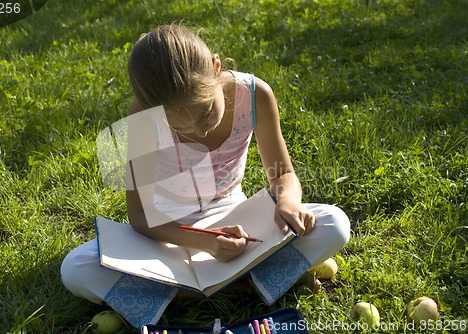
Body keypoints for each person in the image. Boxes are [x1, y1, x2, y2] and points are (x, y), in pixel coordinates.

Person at [61, 24, 350, 328]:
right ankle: (243, 282)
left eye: (205, 111)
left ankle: (186, 289)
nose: (199, 131)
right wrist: (205, 243)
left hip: (235, 217)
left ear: (216, 66)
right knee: (76, 268)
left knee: (335, 224)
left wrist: (289, 201)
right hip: (167, 232)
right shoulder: (141, 116)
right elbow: (141, 215)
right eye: (180, 127)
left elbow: (283, 173)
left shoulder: (254, 94)